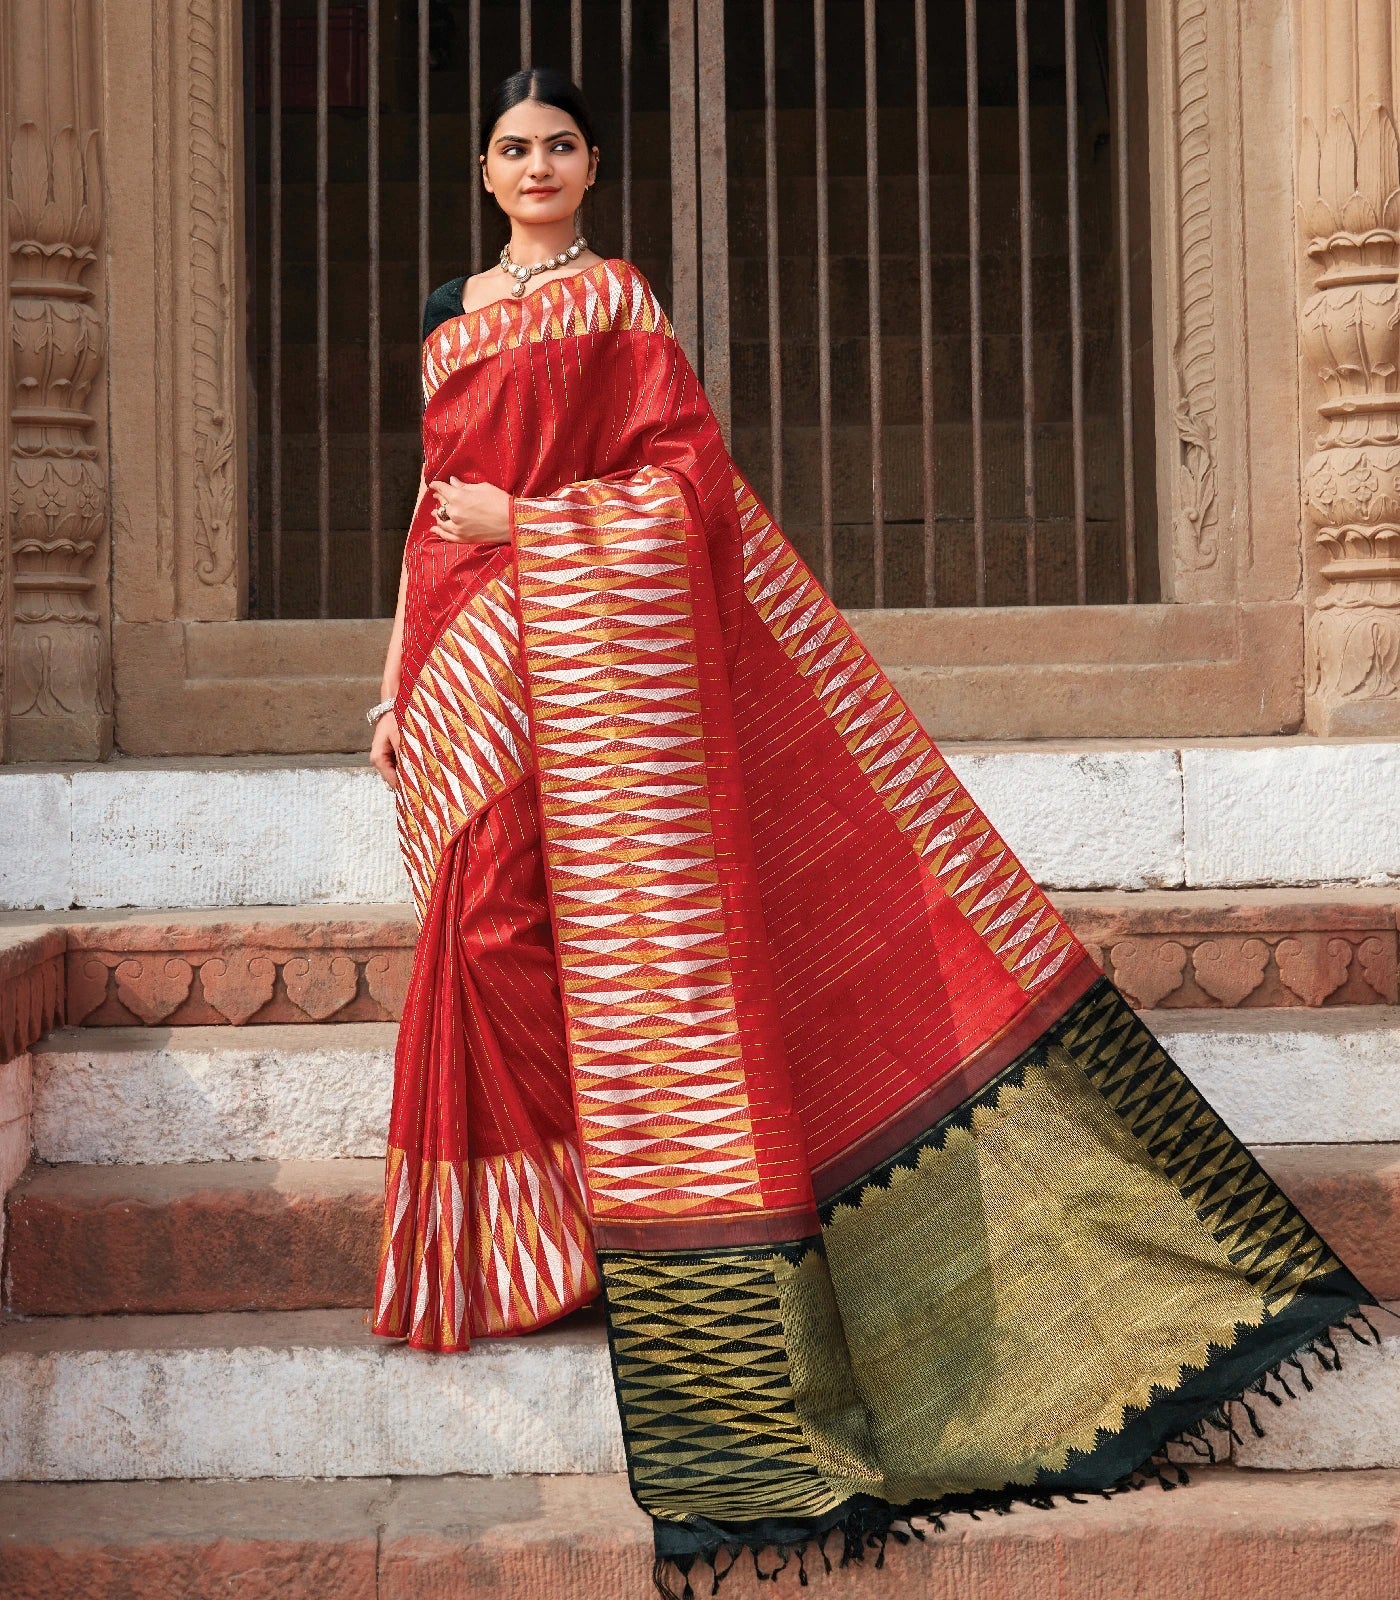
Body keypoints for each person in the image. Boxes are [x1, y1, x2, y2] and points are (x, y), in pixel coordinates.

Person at [367, 64, 1376, 1597]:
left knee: (594, 953)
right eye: (515, 147)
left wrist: (535, 528)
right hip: (462, 666)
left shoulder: (621, 303)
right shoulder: (449, 314)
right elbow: (429, 504)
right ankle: (532, 1245)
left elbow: (688, 489)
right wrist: (391, 685)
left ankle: (624, 1230)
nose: (538, 164)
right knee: (489, 928)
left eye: (560, 143)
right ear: (487, 168)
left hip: (591, 658)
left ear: (592, 164)